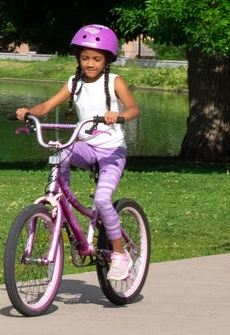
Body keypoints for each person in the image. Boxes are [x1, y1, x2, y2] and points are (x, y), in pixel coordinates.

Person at [14, 23, 138, 250]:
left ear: (107, 60)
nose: (90, 63)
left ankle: (120, 253)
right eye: (85, 58)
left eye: (96, 59)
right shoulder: (74, 82)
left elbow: (133, 109)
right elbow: (47, 105)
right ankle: (61, 203)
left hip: (112, 151)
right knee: (61, 153)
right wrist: (30, 112)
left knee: (101, 200)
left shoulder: (114, 81)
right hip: (87, 146)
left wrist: (117, 116)